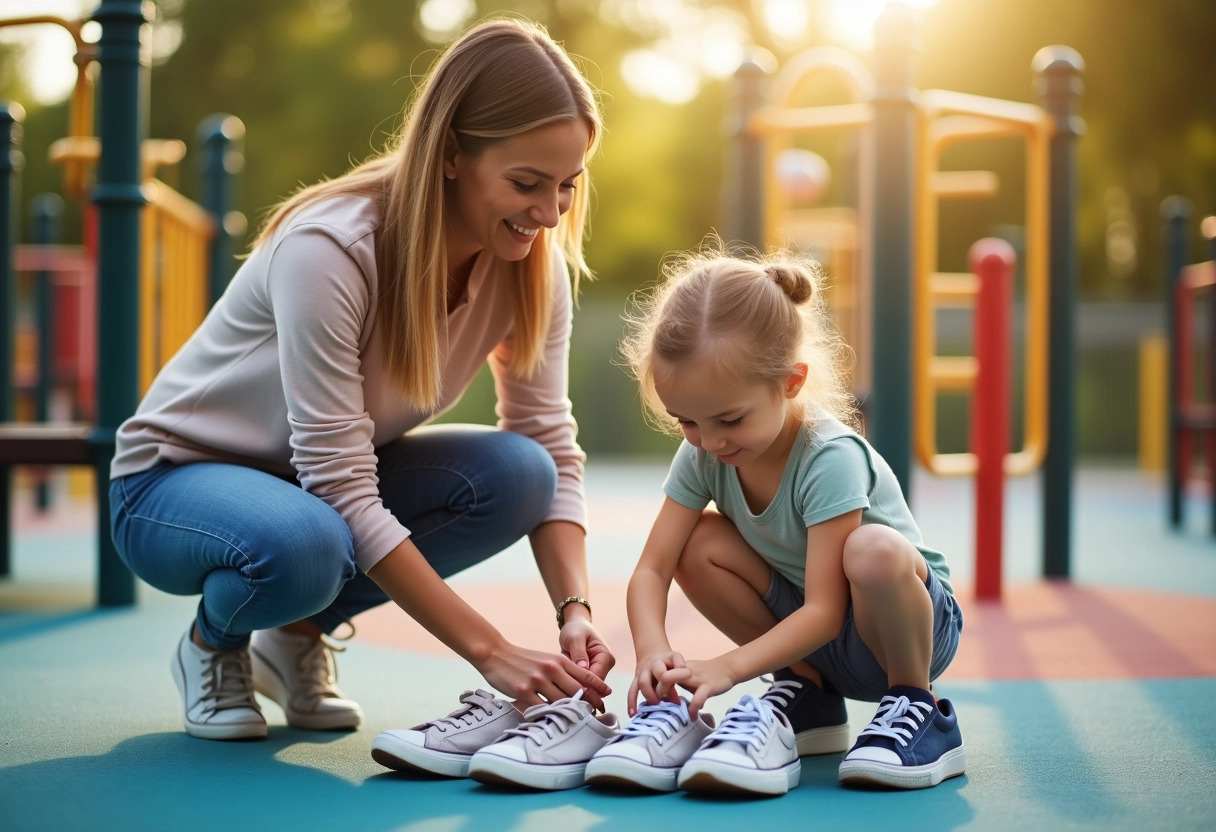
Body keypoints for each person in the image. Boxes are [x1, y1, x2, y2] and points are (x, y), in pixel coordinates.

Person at [108, 17, 615, 745]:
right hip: (169, 485)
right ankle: (211, 645)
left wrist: (576, 610)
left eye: (567, 185)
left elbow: (550, 445)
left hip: (309, 496)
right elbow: (340, 482)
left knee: (520, 473)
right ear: (449, 155)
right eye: (526, 183)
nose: (548, 213)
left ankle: (295, 634)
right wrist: (489, 650)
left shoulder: (533, 268)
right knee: (305, 543)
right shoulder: (330, 248)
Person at [611, 243, 965, 793]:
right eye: (687, 422)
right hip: (814, 641)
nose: (709, 441)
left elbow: (826, 611)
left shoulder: (829, 457)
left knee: (871, 550)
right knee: (693, 542)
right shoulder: (707, 451)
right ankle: (810, 692)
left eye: (729, 418)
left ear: (791, 382)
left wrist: (728, 667)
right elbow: (651, 570)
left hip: (901, 629)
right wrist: (651, 650)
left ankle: (918, 707)